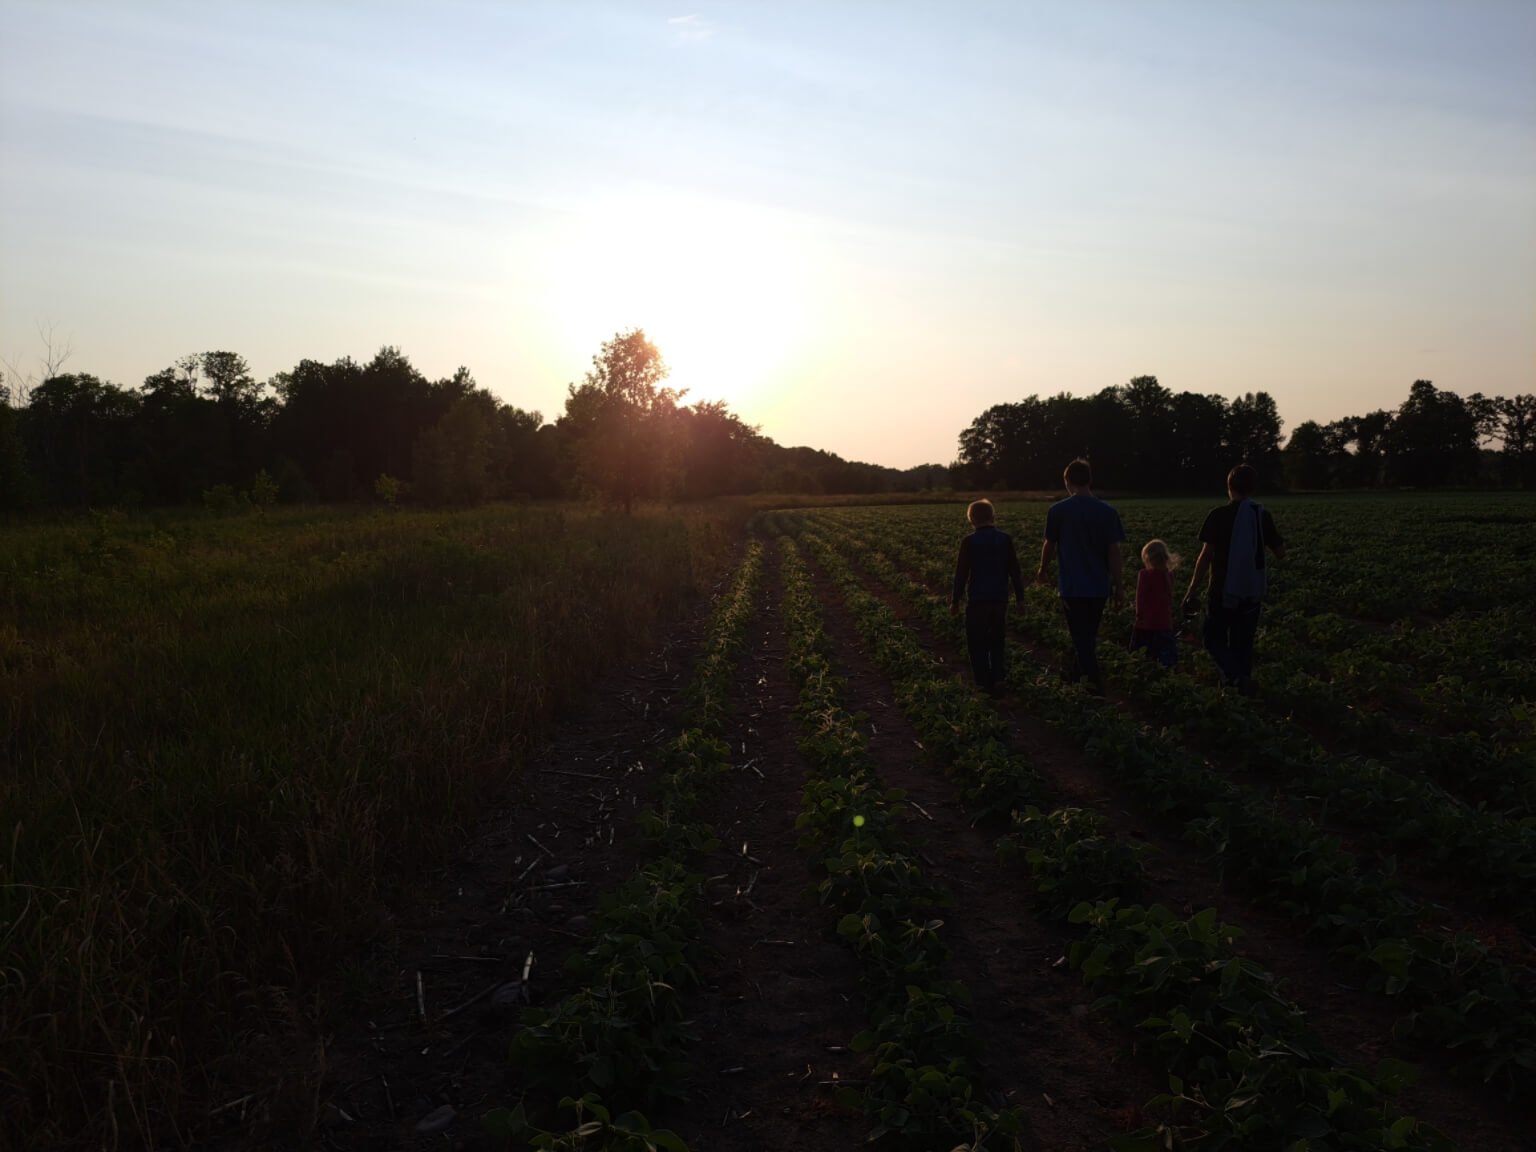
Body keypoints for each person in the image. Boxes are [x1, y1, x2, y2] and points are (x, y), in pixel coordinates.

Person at [1181, 463, 1285, 695]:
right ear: (1253, 488)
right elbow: (1280, 552)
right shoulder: (1261, 516)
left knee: (1212, 639)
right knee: (1243, 644)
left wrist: (1192, 590)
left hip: (1221, 589)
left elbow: (1205, 556)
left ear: (1229, 487)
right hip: (1251, 590)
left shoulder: (1218, 516)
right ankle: (1243, 689)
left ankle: (1235, 680)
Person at [1037, 459, 1126, 694]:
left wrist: (1042, 570)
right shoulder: (1107, 512)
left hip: (1072, 586)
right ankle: (1077, 677)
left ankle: (1093, 683)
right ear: (1090, 480)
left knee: (1081, 637)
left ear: (1067, 482)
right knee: (1088, 635)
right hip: (1099, 586)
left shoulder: (1058, 511)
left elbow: (1049, 544)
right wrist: (1119, 585)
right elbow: (1114, 551)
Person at [950, 498, 1025, 692]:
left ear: (972, 519)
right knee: (997, 639)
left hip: (977, 599)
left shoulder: (969, 541)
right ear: (992, 517)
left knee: (977, 641)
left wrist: (955, 600)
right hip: (999, 598)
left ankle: (982, 682)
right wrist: (1020, 598)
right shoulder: (1004, 539)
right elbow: (1015, 571)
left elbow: (961, 572)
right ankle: (999, 677)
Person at [1130, 539, 1179, 668]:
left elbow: (1140, 599)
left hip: (1146, 624)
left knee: (1140, 659)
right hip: (1164, 623)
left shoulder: (1144, 575)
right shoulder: (1169, 576)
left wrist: (1139, 616)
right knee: (1166, 660)